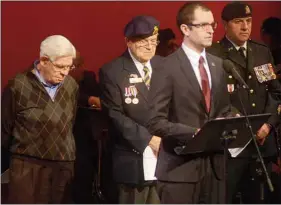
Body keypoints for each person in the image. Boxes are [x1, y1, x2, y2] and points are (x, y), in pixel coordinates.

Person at [146, 2, 234, 203]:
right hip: (180, 171)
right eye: (203, 25)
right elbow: (155, 121)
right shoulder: (166, 67)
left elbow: (224, 109)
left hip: (215, 169)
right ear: (185, 29)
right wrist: (194, 133)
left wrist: (232, 119)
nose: (210, 30)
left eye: (212, 25)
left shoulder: (219, 65)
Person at [207, 2, 281, 203]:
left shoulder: (261, 51)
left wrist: (268, 124)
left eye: (248, 21)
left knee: (259, 198)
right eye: (238, 22)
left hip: (261, 144)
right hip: (231, 146)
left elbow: (275, 93)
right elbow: (210, 99)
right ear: (225, 24)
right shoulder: (214, 54)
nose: (245, 27)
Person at [1, 35, 78, 203]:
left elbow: (70, 123)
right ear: (43, 61)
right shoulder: (18, 85)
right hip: (27, 167)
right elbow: (4, 128)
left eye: (69, 67)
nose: (65, 72)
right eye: (60, 66)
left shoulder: (71, 85)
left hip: (62, 166)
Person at [99, 15, 163, 203]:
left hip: (167, 156)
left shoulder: (164, 65)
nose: (150, 47)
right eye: (143, 42)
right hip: (133, 156)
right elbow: (114, 114)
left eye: (153, 41)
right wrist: (149, 140)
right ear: (128, 42)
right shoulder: (113, 71)